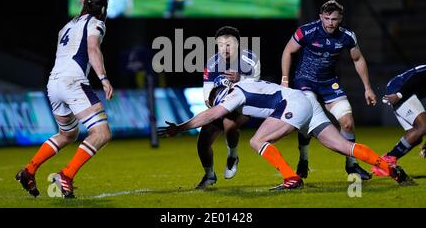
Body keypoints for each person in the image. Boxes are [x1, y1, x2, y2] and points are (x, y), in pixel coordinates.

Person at [159, 80, 414, 190]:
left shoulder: (232, 94)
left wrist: (181, 127)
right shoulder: (245, 87)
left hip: (293, 104)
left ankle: (291, 178)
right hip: (303, 101)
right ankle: (391, 169)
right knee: (342, 147)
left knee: (257, 141)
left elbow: (213, 115)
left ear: (219, 95)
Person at [15, 0, 114, 198]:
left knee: (68, 134)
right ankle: (66, 176)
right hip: (73, 81)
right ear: (103, 8)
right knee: (102, 133)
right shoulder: (96, 23)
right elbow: (93, 48)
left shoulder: (66, 26)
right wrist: (104, 79)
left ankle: (30, 170)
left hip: (54, 82)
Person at [281, 0, 377, 180]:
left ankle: (352, 165)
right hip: (305, 80)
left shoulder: (347, 36)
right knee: (306, 118)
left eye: (334, 19)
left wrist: (368, 88)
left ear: (340, 18)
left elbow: (358, 59)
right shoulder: (307, 31)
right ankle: (303, 159)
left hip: (328, 83)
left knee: (347, 122)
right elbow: (288, 51)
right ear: (320, 17)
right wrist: (285, 80)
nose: (330, 23)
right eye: (327, 18)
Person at [196, 26, 260, 189]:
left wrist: (240, 78)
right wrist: (214, 106)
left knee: (229, 126)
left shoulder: (250, 59)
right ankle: (209, 175)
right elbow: (207, 92)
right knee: (203, 142)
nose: (225, 48)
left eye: (229, 44)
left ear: (238, 44)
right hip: (220, 105)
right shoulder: (212, 63)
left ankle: (232, 156)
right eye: (221, 44)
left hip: (244, 104)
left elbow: (255, 88)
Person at [371, 64, 426, 176]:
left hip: (404, 91)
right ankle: (387, 160)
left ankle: (385, 162)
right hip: (400, 89)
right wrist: (399, 95)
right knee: (423, 127)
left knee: (417, 136)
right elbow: (416, 77)